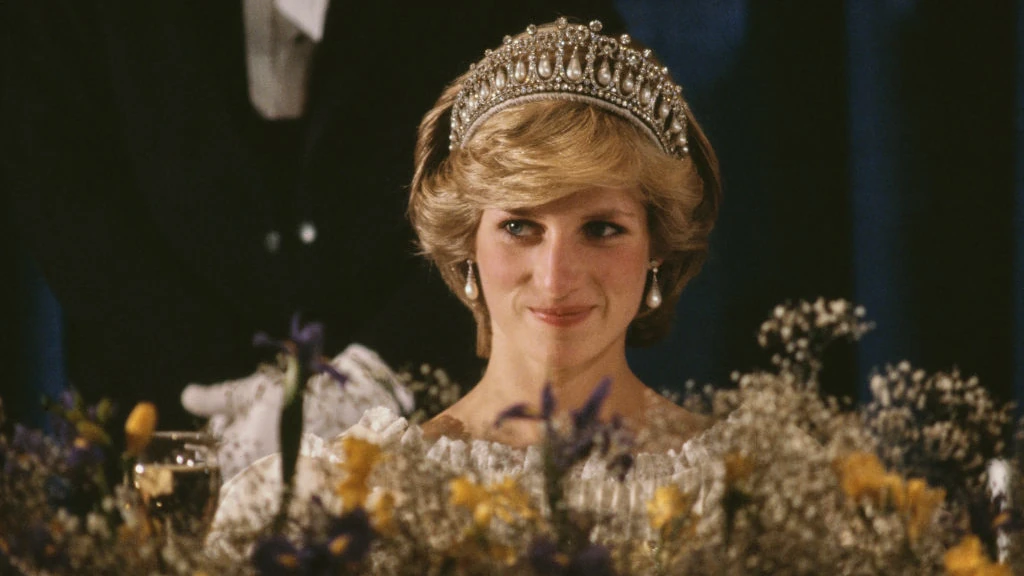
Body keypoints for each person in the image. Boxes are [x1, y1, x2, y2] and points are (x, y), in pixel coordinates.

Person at [0, 1, 625, 430]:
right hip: (159, 417)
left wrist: (386, 373)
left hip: (440, 423)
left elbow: (580, 156)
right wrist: (221, 387)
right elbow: (57, 177)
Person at [408, 18, 722, 449]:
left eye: (601, 229)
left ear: (659, 247)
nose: (555, 279)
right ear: (466, 242)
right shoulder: (365, 477)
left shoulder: (744, 475)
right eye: (519, 227)